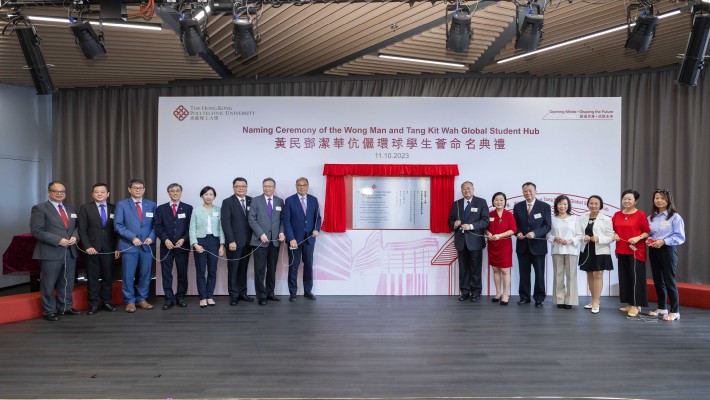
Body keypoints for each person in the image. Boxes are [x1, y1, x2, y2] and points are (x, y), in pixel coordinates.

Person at [30, 181, 81, 321]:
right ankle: (49, 311)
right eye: (56, 191)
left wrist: (75, 238)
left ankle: (65, 307)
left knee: (67, 282)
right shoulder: (39, 208)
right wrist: (58, 240)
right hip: (50, 252)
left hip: (70, 251)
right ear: (49, 192)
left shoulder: (70, 208)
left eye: (62, 191)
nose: (59, 194)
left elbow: (77, 228)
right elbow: (36, 231)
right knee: (48, 283)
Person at [114, 178, 157, 313]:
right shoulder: (122, 205)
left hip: (147, 246)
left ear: (144, 190)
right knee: (128, 275)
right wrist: (132, 237)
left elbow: (156, 225)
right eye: (135, 188)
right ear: (129, 189)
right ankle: (130, 301)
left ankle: (142, 299)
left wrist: (151, 237)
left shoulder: (151, 204)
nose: (138, 190)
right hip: (129, 245)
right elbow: (118, 225)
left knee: (145, 274)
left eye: (141, 188)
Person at [78, 183, 119, 315]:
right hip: (91, 249)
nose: (99, 194)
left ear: (108, 194)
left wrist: (118, 247)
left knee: (108, 277)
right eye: (96, 192)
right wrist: (87, 246)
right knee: (92, 278)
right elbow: (82, 230)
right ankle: (93, 304)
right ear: (92, 194)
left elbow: (118, 230)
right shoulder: (85, 208)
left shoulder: (115, 208)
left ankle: (107, 302)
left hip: (109, 249)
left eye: (102, 192)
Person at [447, 181, 490, 302]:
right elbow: (450, 221)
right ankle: (464, 292)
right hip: (461, 241)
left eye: (469, 188)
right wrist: (454, 224)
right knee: (463, 268)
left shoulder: (481, 202)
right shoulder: (456, 204)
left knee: (476, 268)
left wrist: (471, 226)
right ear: (461, 191)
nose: (467, 191)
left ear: (473, 189)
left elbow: (486, 221)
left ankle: (476, 292)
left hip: (475, 241)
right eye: (464, 189)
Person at [647, 189, 686, 321]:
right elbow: (649, 234)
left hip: (668, 250)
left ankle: (675, 311)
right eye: (657, 198)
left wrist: (663, 241)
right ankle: (662, 307)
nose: (659, 200)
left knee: (669, 280)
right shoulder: (651, 218)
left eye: (662, 198)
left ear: (668, 200)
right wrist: (650, 241)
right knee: (658, 280)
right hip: (654, 250)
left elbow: (680, 237)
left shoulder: (675, 217)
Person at [611, 190, 650, 317]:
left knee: (635, 279)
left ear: (635, 201)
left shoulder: (640, 214)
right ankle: (629, 303)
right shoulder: (617, 214)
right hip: (621, 249)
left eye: (629, 199)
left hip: (636, 251)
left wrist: (638, 238)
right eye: (624, 198)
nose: (626, 201)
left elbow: (646, 232)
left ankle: (635, 305)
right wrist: (614, 235)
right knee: (624, 277)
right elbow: (612, 230)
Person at [154, 183, 193, 310]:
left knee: (182, 273)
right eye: (172, 191)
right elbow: (158, 226)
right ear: (168, 193)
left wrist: (184, 239)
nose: (175, 193)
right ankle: (169, 298)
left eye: (177, 191)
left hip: (182, 246)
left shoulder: (188, 208)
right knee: (166, 273)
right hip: (167, 246)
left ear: (181, 192)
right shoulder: (161, 208)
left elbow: (191, 227)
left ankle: (180, 297)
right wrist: (165, 239)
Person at [513, 182, 552, 307]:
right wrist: (518, 233)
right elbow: (515, 225)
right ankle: (524, 297)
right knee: (524, 273)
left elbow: (547, 226)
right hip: (522, 245)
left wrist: (535, 233)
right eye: (525, 191)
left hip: (538, 247)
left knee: (539, 274)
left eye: (530, 190)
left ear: (536, 191)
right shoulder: (518, 206)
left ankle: (539, 298)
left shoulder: (544, 206)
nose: (527, 193)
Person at [283, 177, 322, 302]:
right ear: (296, 186)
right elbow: (286, 221)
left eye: (304, 185)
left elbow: (318, 218)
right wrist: (291, 238)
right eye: (299, 185)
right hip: (295, 240)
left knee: (308, 265)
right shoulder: (289, 201)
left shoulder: (313, 200)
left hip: (309, 239)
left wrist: (317, 229)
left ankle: (307, 291)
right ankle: (293, 293)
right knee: (293, 266)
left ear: (308, 186)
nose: (302, 187)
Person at [248, 178, 285, 306]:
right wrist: (261, 234)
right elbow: (251, 219)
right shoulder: (255, 200)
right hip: (260, 241)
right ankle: (261, 295)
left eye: (270, 186)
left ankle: (270, 293)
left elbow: (282, 220)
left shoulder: (280, 201)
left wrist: (281, 232)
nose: (267, 188)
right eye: (265, 186)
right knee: (259, 270)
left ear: (274, 188)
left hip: (275, 242)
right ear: (262, 187)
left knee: (272, 269)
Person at [189, 186, 225, 308]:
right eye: (206, 194)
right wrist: (195, 244)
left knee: (212, 271)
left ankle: (210, 296)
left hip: (214, 242)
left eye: (211, 194)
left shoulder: (219, 210)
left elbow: (221, 228)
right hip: (200, 241)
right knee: (200, 271)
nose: (208, 196)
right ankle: (202, 297)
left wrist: (221, 244)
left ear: (214, 196)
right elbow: (192, 228)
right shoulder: (196, 211)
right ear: (201, 196)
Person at [578, 195, 615, 314]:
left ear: (600, 205)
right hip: (587, 249)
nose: (593, 205)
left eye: (596, 203)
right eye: (591, 203)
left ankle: (595, 301)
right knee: (590, 274)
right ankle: (594, 300)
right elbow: (577, 233)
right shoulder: (582, 217)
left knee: (598, 274)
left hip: (600, 250)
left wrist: (598, 238)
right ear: (588, 204)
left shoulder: (606, 219)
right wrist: (584, 237)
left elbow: (611, 236)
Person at [221, 177, 254, 306]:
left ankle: (243, 293)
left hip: (249, 242)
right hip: (234, 243)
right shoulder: (228, 202)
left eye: (243, 186)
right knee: (233, 269)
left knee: (244, 268)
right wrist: (230, 240)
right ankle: (233, 295)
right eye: (238, 186)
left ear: (246, 187)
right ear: (233, 187)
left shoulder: (252, 200)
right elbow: (226, 223)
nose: (241, 188)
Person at [547, 195, 582, 309]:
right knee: (558, 275)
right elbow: (548, 234)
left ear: (568, 205)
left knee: (571, 276)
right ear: (556, 205)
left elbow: (579, 235)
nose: (562, 206)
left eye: (565, 204)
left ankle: (570, 300)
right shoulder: (552, 219)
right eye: (560, 204)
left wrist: (570, 241)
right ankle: (559, 299)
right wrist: (554, 238)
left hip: (571, 250)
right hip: (557, 250)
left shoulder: (575, 218)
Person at [485, 192, 517, 306]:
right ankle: (498, 293)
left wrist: (499, 235)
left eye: (501, 200)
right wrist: (488, 233)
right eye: (497, 200)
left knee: (504, 270)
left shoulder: (509, 215)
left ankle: (505, 294)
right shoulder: (489, 214)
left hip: (504, 245)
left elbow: (513, 230)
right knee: (495, 270)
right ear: (493, 201)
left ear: (505, 202)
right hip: (493, 245)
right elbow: (485, 228)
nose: (499, 202)